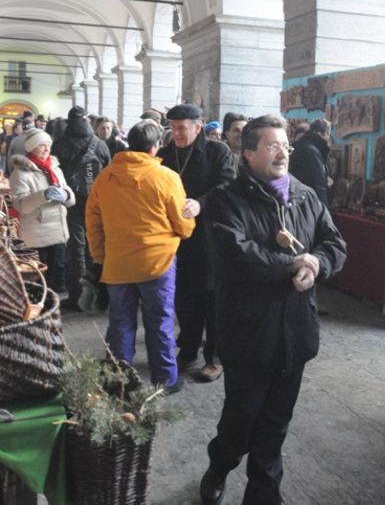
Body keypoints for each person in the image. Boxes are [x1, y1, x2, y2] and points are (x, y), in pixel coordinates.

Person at [200, 115, 346, 505]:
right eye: (271, 146)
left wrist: (316, 264)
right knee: (241, 419)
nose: (282, 153)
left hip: (295, 332)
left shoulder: (305, 196)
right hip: (249, 333)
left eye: (285, 146)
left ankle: (263, 494)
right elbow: (233, 255)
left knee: (276, 422)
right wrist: (291, 265)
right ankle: (220, 464)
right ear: (248, 153)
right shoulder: (226, 200)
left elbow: (334, 243)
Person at [85, 121, 195, 392]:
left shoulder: (106, 177)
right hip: (157, 263)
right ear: (155, 147)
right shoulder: (166, 177)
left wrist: (99, 255)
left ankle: (118, 381)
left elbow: (93, 220)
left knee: (120, 321)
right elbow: (183, 225)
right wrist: (187, 225)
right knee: (159, 322)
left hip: (117, 264)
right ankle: (165, 380)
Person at [158, 104, 235, 382]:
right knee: (185, 297)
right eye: (173, 128)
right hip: (177, 238)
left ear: (197, 127)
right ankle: (188, 349)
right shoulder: (165, 155)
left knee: (212, 298)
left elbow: (227, 187)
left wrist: (201, 204)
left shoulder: (218, 152)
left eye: (182, 128)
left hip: (210, 236)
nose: (177, 133)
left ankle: (214, 357)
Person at [52, 106, 110, 310]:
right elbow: (108, 171)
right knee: (97, 246)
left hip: (72, 202)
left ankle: (77, 296)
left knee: (75, 248)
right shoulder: (100, 144)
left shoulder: (60, 145)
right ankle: (98, 295)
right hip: (98, 201)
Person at [9, 128, 75, 292]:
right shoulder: (20, 173)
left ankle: (56, 303)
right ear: (31, 147)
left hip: (59, 233)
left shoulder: (55, 169)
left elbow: (70, 197)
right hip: (37, 236)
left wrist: (66, 195)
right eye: (42, 145)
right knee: (41, 281)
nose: (47, 149)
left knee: (58, 280)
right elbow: (20, 205)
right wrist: (43, 195)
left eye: (48, 144)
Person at [288, 118, 331, 206]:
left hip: (296, 200)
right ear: (323, 133)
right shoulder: (312, 152)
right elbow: (317, 185)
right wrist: (323, 209)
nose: (328, 138)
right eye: (328, 134)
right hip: (308, 203)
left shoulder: (302, 146)